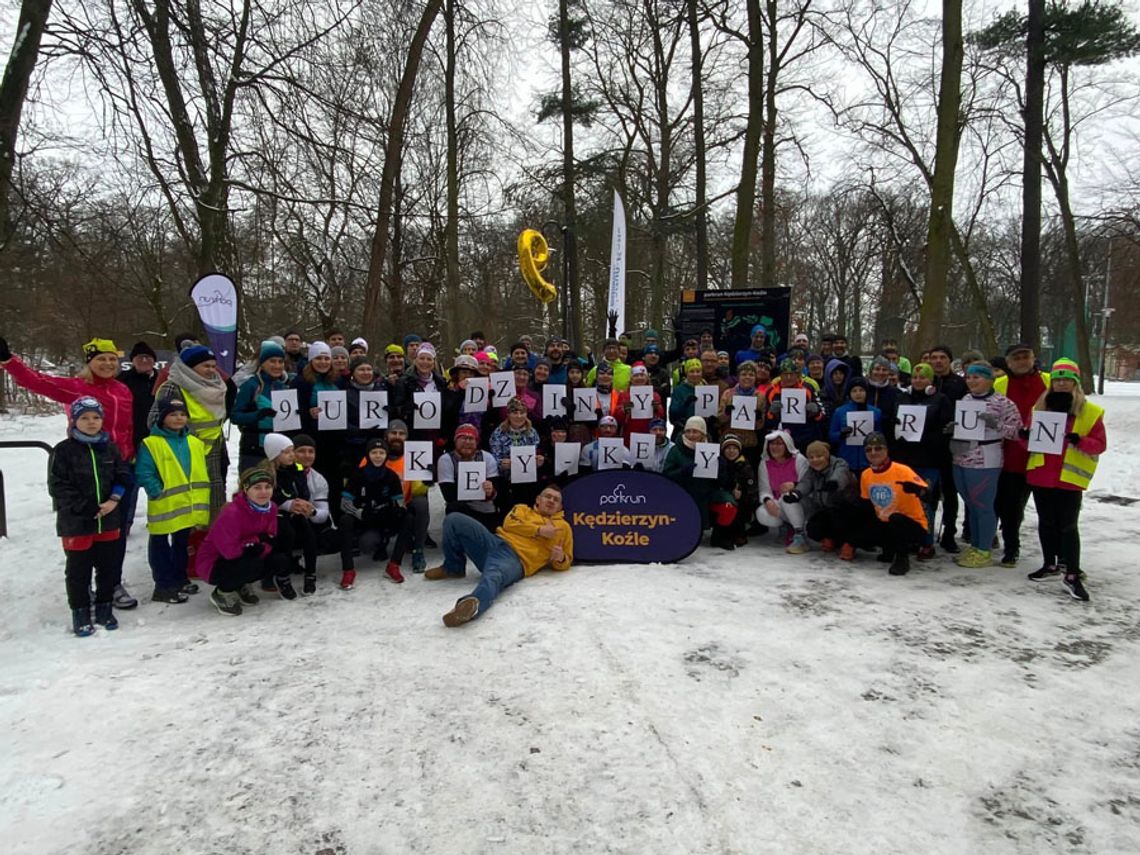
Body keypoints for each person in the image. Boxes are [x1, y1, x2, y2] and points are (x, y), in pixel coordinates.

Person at [2, 335, 139, 608]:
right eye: (101, 359)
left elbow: (128, 430)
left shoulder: (123, 391)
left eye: (112, 359)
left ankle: (111, 583)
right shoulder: (77, 388)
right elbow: (37, 382)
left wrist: (131, 460)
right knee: (85, 529)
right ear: (90, 362)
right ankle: (82, 585)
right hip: (84, 470)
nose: (108, 364)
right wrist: (8, 361)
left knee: (116, 531)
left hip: (119, 469)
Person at [425, 484, 573, 626]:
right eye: (548, 496)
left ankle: (472, 605)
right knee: (454, 519)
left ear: (560, 507)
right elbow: (509, 524)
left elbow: (567, 559)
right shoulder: (521, 509)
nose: (551, 501)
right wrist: (539, 530)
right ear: (538, 500)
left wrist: (560, 558)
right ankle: (453, 567)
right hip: (494, 542)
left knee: (493, 577)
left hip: (516, 559)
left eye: (556, 500)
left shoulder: (563, 528)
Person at [49, 397, 131, 636]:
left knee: (107, 566)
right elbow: (58, 486)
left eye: (96, 417)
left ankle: (104, 606)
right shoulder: (63, 450)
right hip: (76, 522)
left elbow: (123, 475)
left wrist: (114, 500)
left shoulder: (110, 447)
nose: (91, 422)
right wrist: (86, 507)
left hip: (108, 518)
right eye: (84, 418)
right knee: (78, 570)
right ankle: (80, 610)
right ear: (74, 420)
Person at [1025, 358, 1106, 602]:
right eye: (1057, 379)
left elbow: (1100, 444)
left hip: (1069, 478)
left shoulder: (1090, 412)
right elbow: (1029, 439)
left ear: (1075, 384)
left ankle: (1072, 573)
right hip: (1042, 474)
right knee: (1046, 522)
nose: (1061, 384)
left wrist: (1079, 441)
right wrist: (1023, 436)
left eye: (1066, 380)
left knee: (1068, 526)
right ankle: (1050, 563)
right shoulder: (1040, 408)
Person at [135, 398, 209, 604]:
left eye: (182, 414)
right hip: (165, 504)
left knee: (181, 543)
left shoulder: (194, 442)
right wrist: (155, 490)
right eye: (173, 414)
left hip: (187, 505)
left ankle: (179, 577)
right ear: (162, 418)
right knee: (160, 544)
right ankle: (163, 585)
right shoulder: (151, 443)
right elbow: (144, 471)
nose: (178, 418)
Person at [949, 362, 1023, 568]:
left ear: (989, 380)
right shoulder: (966, 399)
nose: (972, 381)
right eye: (969, 377)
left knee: (983, 505)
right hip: (962, 456)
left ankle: (984, 549)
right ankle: (975, 545)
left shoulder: (1003, 403)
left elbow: (1018, 432)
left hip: (986, 460)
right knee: (971, 505)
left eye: (977, 377)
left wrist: (996, 425)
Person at [149, 344, 232, 523]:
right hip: (183, 454)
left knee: (214, 501)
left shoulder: (218, 387)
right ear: (190, 367)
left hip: (213, 450)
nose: (211, 370)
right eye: (205, 366)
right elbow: (154, 421)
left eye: (213, 365)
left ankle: (213, 541)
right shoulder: (173, 387)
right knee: (189, 506)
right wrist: (184, 434)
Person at [992, 343, 1050, 567]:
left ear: (1034, 358)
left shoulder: (1049, 381)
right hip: (1012, 456)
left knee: (1048, 510)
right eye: (1016, 358)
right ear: (1008, 363)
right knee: (1009, 508)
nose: (1022, 361)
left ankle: (1056, 556)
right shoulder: (1000, 384)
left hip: (1043, 456)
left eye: (1026, 356)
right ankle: (1011, 547)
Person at [196, 467, 280, 616]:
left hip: (245, 552)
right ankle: (223, 592)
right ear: (246, 490)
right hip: (214, 562)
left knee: (277, 561)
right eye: (257, 488)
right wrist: (254, 543)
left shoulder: (271, 508)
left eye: (268, 487)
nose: (264, 492)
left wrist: (259, 547)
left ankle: (240, 584)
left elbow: (270, 535)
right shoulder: (232, 513)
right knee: (252, 564)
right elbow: (229, 550)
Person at [890, 363, 953, 559]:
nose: (918, 381)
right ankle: (909, 538)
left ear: (930, 380)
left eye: (923, 378)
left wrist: (926, 436)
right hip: (904, 459)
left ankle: (927, 542)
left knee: (925, 502)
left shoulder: (940, 400)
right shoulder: (902, 398)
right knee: (904, 501)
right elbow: (893, 421)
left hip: (928, 459)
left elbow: (944, 429)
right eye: (915, 378)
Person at [339, 437, 413, 586]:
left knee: (409, 517)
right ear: (368, 454)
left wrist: (397, 510)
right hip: (363, 518)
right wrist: (359, 512)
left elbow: (399, 502)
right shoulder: (357, 475)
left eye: (381, 452)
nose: (378, 456)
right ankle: (348, 570)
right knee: (345, 521)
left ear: (386, 455)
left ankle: (394, 565)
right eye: (374, 452)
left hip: (383, 518)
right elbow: (344, 503)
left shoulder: (391, 476)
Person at [857, 432, 929, 576]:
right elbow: (866, 504)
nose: (873, 452)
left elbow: (928, 495)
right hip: (885, 522)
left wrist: (918, 490)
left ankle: (902, 558)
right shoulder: (866, 475)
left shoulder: (902, 470)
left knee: (896, 518)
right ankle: (888, 548)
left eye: (878, 448)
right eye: (869, 449)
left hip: (912, 524)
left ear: (886, 450)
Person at [662, 416, 738, 549]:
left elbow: (724, 481)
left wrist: (720, 469)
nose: (691, 435)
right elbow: (666, 476)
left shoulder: (712, 450)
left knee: (728, 505)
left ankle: (719, 536)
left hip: (708, 493)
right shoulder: (676, 450)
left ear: (703, 433)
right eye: (688, 431)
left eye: (695, 431)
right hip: (684, 495)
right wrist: (682, 472)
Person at [263, 433, 318, 597]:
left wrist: (303, 503)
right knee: (286, 533)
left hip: (295, 511)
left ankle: (310, 573)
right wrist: (288, 504)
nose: (292, 455)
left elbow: (303, 489)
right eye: (286, 452)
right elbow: (268, 496)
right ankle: (283, 576)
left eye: (292, 451)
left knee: (309, 533)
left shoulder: (296, 469)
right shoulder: (267, 473)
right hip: (274, 514)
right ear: (275, 455)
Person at [231, 340, 290, 471]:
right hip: (254, 447)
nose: (277, 365)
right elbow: (235, 416)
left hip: (279, 448)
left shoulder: (283, 386)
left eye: (280, 362)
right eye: (272, 361)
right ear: (262, 364)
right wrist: (258, 415)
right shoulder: (251, 385)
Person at [796, 441, 859, 557]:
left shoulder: (839, 464)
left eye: (819, 456)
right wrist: (796, 493)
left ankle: (849, 544)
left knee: (840, 519)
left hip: (846, 509)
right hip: (825, 509)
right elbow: (806, 482)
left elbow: (841, 474)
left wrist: (834, 483)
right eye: (811, 457)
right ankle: (830, 539)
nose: (815, 460)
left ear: (827, 456)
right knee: (812, 527)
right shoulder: (812, 470)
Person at [383, 420, 431, 572]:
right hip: (383, 506)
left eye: (402, 434)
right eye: (393, 433)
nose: (397, 437)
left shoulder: (414, 457)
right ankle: (381, 543)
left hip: (406, 503)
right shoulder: (376, 455)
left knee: (422, 503)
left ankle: (418, 551)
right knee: (367, 543)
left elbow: (418, 491)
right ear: (386, 436)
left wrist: (426, 479)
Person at [754, 429, 812, 554]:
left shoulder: (799, 460)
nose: (775, 447)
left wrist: (794, 485)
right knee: (762, 513)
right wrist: (767, 500)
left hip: (800, 501)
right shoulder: (764, 463)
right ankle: (786, 526)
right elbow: (764, 489)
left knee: (787, 497)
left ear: (787, 445)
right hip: (779, 501)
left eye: (779, 444)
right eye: (772, 444)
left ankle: (799, 535)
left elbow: (808, 483)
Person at [437, 424, 502, 531]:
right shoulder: (446, 460)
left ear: (477, 442)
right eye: (463, 438)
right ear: (455, 441)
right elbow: (448, 495)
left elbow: (497, 490)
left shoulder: (487, 457)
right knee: (454, 507)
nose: (467, 442)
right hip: (461, 508)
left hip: (485, 508)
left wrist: (490, 491)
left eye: (471, 438)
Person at [828, 377, 881, 478]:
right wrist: (841, 434)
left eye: (861, 390)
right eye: (854, 391)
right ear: (849, 393)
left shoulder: (876, 412)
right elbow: (831, 436)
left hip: (868, 459)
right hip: (847, 458)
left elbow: (880, 436)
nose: (858, 394)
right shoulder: (840, 412)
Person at [720, 434, 758, 546]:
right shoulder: (719, 464)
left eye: (734, 448)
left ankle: (740, 533)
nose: (731, 451)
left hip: (742, 503)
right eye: (728, 448)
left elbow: (753, 490)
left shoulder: (745, 466)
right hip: (723, 498)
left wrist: (742, 495)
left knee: (739, 507)